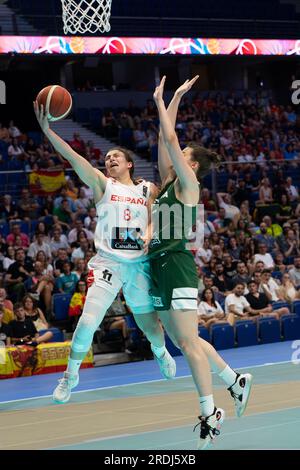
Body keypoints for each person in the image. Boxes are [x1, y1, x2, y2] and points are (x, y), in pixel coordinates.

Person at [34, 99, 175, 405]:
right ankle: (70, 376)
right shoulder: (102, 184)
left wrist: (149, 234)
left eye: (116, 157)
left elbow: (156, 217)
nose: (109, 160)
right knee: (86, 323)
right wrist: (48, 130)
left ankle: (160, 352)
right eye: (107, 158)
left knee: (151, 326)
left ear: (129, 164)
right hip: (108, 263)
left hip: (139, 265)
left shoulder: (146, 189)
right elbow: (73, 158)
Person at [148, 76, 252, 450]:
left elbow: (172, 139)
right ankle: (235, 381)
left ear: (190, 163)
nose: (176, 154)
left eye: (183, 153)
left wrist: (163, 102)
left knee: (189, 344)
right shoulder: (169, 181)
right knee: (183, 340)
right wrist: (174, 98)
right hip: (158, 267)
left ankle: (210, 414)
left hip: (176, 265)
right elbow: (165, 140)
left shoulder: (188, 187)